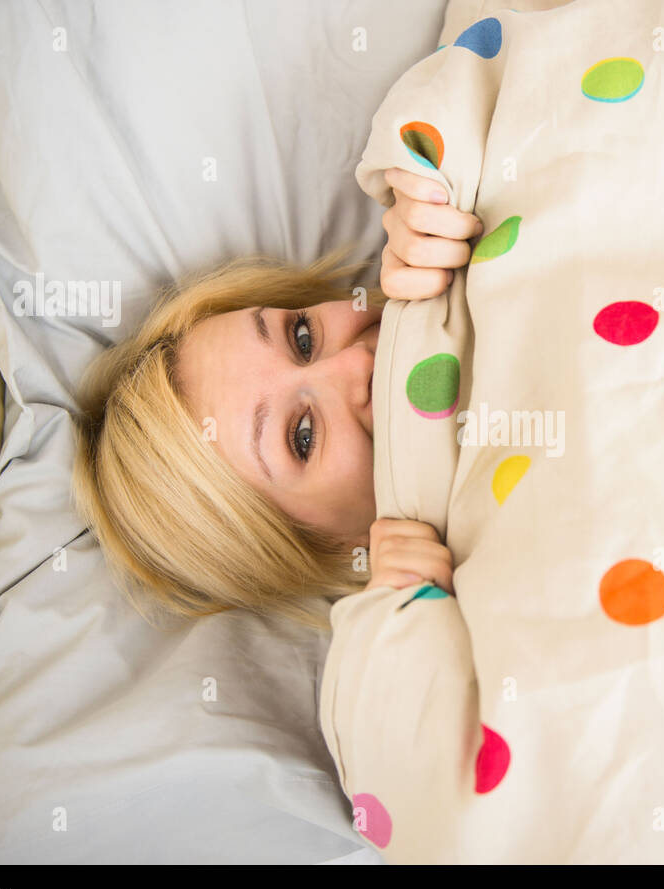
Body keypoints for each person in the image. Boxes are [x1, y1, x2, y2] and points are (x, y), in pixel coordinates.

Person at [72, 168, 482, 629]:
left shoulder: (455, 219)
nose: (355, 366)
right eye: (302, 436)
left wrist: (452, 187)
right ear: (335, 549)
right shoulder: (455, 620)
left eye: (303, 338)